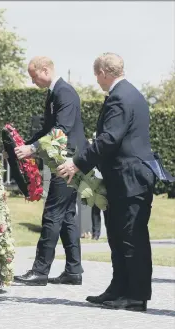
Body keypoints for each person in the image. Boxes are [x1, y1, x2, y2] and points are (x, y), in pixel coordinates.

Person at [57, 53, 157, 311]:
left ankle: (135, 296)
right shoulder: (130, 93)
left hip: (130, 179)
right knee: (117, 235)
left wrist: (77, 164)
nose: (97, 80)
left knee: (130, 237)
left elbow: (109, 139)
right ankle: (119, 288)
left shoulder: (120, 97)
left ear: (103, 72)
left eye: (96, 74)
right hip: (125, 179)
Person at [13, 56, 87, 286]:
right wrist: (23, 145)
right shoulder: (55, 93)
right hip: (66, 160)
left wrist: (33, 148)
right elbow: (47, 128)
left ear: (45, 70)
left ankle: (40, 271)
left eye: (34, 76)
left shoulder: (64, 93)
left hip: (67, 161)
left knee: (52, 214)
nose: (33, 81)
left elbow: (61, 130)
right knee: (66, 217)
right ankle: (73, 271)